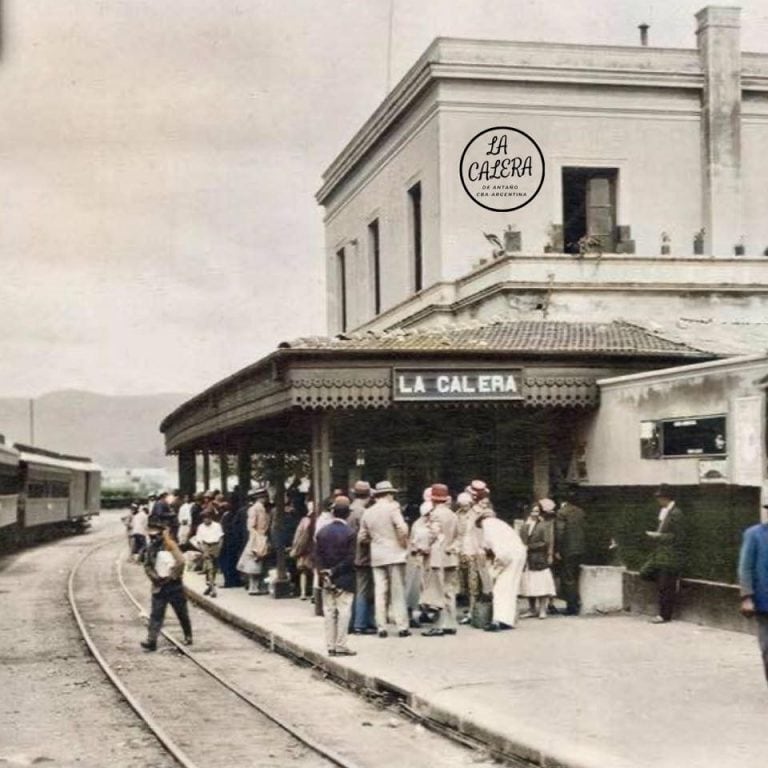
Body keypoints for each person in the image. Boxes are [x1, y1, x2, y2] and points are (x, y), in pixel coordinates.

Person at [358, 480, 410, 638]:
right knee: (397, 591)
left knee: (380, 591)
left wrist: (375, 541)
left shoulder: (368, 512)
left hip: (377, 554)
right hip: (394, 553)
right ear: (388, 495)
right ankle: (402, 625)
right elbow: (402, 527)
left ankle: (381, 626)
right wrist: (402, 543)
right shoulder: (393, 508)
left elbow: (361, 537)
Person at [141, 517, 192, 650]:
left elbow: (181, 561)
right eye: (151, 534)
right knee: (156, 615)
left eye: (156, 534)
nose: (153, 537)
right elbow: (147, 565)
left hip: (174, 586)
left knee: (181, 613)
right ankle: (151, 640)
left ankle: (188, 635)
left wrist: (171, 576)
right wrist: (154, 577)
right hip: (159, 587)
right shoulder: (150, 547)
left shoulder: (170, 545)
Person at [315, 496, 357, 656]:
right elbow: (350, 559)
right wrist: (334, 571)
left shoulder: (322, 532)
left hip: (326, 578)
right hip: (344, 578)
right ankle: (341, 644)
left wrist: (324, 572)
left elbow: (317, 556)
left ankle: (330, 645)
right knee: (344, 611)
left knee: (329, 611)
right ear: (347, 514)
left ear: (333, 513)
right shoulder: (350, 533)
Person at [640, 484, 686, 624]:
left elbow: (678, 537)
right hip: (660, 553)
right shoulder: (665, 511)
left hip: (670, 554)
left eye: (659, 497)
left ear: (665, 498)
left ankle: (664, 615)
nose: (658, 500)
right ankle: (672, 585)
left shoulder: (676, 513)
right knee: (645, 573)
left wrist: (656, 536)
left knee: (665, 585)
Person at [476, 510, 527, 631]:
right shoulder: (500, 524)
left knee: (500, 589)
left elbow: (496, 548)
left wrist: (495, 570)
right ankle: (507, 620)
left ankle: (497, 621)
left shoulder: (487, 526)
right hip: (518, 554)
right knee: (510, 589)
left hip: (507, 556)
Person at [421, 484, 459, 637]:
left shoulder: (435, 514)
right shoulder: (453, 515)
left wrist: (424, 546)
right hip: (450, 555)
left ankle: (438, 625)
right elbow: (458, 536)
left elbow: (433, 534)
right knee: (449, 591)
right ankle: (451, 623)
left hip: (437, 557)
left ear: (433, 499)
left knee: (436, 592)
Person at [738, 505, 768, 686]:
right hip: (764, 602)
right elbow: (745, 567)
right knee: (767, 647)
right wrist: (747, 596)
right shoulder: (755, 534)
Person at [347, 480, 377, 634]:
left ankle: (355, 621)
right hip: (364, 556)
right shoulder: (364, 512)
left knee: (357, 589)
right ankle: (361, 623)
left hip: (350, 555)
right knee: (365, 590)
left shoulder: (349, 510)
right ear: (368, 495)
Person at [519, 500, 557, 619]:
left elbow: (545, 542)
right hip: (527, 559)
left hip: (539, 557)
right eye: (532, 511)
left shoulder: (543, 525)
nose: (534, 513)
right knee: (529, 584)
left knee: (541, 584)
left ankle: (542, 610)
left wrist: (529, 547)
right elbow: (521, 540)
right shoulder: (525, 525)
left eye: (537, 511)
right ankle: (531, 609)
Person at [555, 492, 586, 616]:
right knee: (575, 575)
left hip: (567, 549)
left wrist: (557, 549)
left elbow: (560, 532)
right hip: (580, 548)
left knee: (568, 577)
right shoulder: (581, 511)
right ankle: (576, 603)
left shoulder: (562, 512)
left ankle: (571, 607)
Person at [237, 488, 272, 594]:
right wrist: (256, 539)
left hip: (262, 536)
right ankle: (253, 586)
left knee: (259, 563)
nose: (265, 499)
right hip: (257, 537)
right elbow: (251, 526)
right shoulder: (254, 509)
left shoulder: (262, 509)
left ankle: (257, 586)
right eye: (264, 497)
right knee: (254, 562)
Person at [290, 504, 316, 600]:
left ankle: (303, 593)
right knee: (315, 572)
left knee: (303, 571)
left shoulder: (304, 520)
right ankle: (314, 593)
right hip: (314, 548)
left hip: (304, 549)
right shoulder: (318, 519)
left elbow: (298, 535)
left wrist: (295, 547)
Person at [196, 511, 224, 597]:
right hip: (206, 546)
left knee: (214, 568)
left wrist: (219, 547)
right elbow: (199, 541)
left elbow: (221, 537)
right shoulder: (200, 527)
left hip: (215, 546)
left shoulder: (217, 526)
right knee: (210, 567)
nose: (206, 520)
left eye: (208, 518)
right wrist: (203, 551)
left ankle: (210, 585)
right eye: (204, 518)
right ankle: (213, 590)